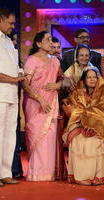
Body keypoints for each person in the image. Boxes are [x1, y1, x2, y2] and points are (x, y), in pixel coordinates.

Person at [62, 67, 104, 185]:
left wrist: (91, 120)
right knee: (78, 140)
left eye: (95, 77)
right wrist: (84, 120)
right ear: (84, 79)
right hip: (80, 125)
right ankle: (82, 177)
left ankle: (99, 176)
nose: (92, 80)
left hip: (101, 128)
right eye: (89, 77)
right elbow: (72, 109)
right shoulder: (77, 93)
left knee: (95, 142)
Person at [23, 31, 62, 181]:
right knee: (37, 136)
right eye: (47, 40)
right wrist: (40, 100)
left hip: (52, 102)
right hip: (35, 104)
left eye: (51, 39)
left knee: (50, 136)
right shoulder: (31, 60)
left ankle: (48, 173)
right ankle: (36, 174)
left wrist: (57, 84)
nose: (50, 42)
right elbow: (25, 84)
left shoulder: (55, 61)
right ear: (39, 44)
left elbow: (65, 80)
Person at [0, 8, 26, 186]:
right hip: (1, 94)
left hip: (12, 94)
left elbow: (13, 66)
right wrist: (16, 78)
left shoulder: (9, 42)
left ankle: (5, 173)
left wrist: (22, 73)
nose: (12, 26)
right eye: (10, 22)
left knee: (10, 135)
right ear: (0, 20)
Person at [8, 30, 23, 178]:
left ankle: (14, 171)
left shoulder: (15, 57)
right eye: (13, 40)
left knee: (13, 137)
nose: (15, 43)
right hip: (4, 97)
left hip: (13, 100)